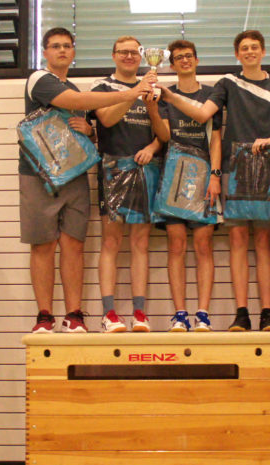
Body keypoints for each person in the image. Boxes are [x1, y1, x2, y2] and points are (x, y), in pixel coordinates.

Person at [159, 29, 270, 332]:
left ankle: (267, 313)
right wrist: (169, 96)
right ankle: (242, 313)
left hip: (267, 168)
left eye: (255, 47)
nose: (250, 52)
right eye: (244, 48)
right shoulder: (227, 83)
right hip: (235, 168)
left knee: (263, 241)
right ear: (237, 54)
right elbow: (202, 115)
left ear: (263, 51)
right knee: (237, 240)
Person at [21, 27, 153, 334]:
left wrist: (90, 131)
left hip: (75, 172)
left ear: (73, 52)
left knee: (73, 244)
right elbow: (78, 100)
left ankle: (74, 315)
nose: (62, 50)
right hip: (39, 174)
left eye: (67, 46)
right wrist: (132, 92)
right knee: (43, 245)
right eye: (56, 46)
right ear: (45, 52)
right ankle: (44, 316)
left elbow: (87, 123)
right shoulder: (39, 79)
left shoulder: (72, 85)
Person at [146, 39, 223, 332]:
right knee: (176, 245)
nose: (185, 60)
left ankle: (203, 314)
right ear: (171, 64)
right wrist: (153, 109)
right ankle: (180, 314)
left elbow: (216, 139)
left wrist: (215, 175)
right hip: (173, 174)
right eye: (179, 57)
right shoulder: (164, 95)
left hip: (204, 175)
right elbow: (165, 136)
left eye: (189, 56)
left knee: (204, 245)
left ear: (197, 59)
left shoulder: (212, 94)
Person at [92, 35, 161, 333]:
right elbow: (106, 120)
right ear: (114, 55)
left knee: (141, 243)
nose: (129, 56)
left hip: (145, 171)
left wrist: (153, 147)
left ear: (142, 56)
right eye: (123, 52)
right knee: (111, 242)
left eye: (134, 52)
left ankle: (139, 313)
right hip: (112, 169)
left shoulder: (153, 88)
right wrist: (134, 93)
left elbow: (163, 133)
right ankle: (109, 314)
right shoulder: (102, 87)